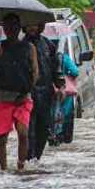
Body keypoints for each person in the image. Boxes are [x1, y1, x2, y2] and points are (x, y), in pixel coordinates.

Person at [0, 14, 38, 170]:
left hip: (23, 97)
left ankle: (21, 165)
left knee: (23, 133)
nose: (11, 29)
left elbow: (35, 72)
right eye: (7, 26)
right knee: (1, 138)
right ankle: (4, 169)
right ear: (3, 28)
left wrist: (27, 90)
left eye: (14, 26)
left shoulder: (29, 48)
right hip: (2, 98)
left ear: (19, 28)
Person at [24, 23, 59, 161]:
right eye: (29, 25)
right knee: (29, 130)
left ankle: (36, 159)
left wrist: (60, 85)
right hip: (28, 93)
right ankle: (29, 158)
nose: (32, 28)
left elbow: (56, 66)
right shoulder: (22, 45)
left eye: (35, 25)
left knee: (44, 128)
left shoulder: (48, 44)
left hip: (46, 93)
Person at [52, 50, 79, 144]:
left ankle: (53, 135)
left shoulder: (44, 56)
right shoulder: (64, 58)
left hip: (49, 92)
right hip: (65, 92)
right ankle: (61, 136)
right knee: (66, 115)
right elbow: (75, 72)